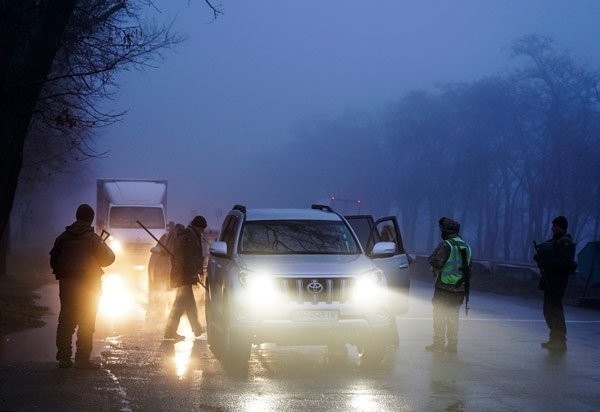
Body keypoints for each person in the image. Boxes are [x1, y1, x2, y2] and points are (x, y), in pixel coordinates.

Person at [49, 203, 115, 369]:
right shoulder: (93, 239)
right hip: (89, 285)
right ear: (90, 219)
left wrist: (62, 273)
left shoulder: (63, 237)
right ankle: (82, 360)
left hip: (67, 284)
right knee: (86, 322)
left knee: (66, 321)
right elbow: (109, 258)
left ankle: (64, 359)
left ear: (77, 216)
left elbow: (53, 260)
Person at [426, 217, 472, 353]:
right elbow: (469, 268)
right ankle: (452, 345)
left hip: (444, 287)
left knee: (440, 316)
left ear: (446, 231)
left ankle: (438, 343)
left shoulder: (446, 245)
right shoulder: (466, 246)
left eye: (442, 230)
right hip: (459, 288)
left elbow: (434, 261)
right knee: (453, 317)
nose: (441, 232)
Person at [533, 215, 577, 351]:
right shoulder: (557, 241)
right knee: (548, 310)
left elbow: (562, 263)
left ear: (561, 227)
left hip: (557, 282)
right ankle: (554, 339)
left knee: (555, 310)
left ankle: (560, 341)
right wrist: (540, 257)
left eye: (555, 226)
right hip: (550, 281)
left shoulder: (565, 243)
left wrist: (544, 262)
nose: (553, 228)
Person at [163, 215, 207, 341]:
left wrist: (196, 271)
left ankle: (196, 329)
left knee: (188, 304)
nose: (202, 232)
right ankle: (170, 331)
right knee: (180, 306)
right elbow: (186, 258)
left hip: (184, 276)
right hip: (184, 276)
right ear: (199, 227)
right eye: (202, 229)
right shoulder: (189, 237)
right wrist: (193, 273)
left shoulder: (192, 235)